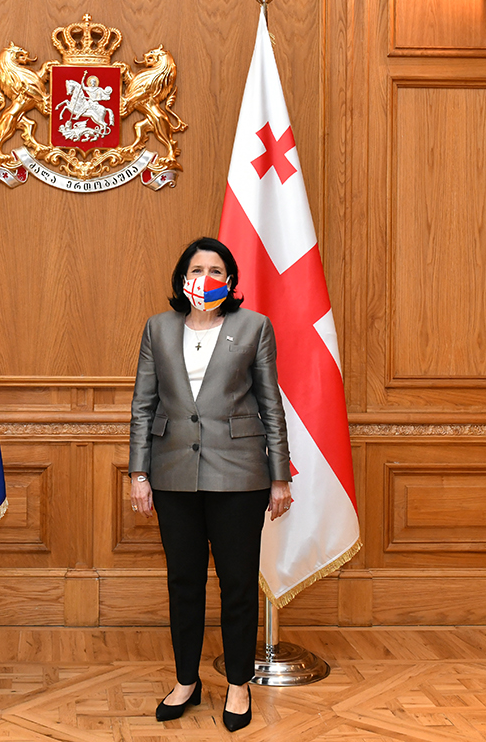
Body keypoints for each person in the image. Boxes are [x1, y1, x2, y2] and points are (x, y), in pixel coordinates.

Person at [129, 236, 292, 733]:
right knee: (184, 583)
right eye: (197, 269)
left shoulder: (254, 327)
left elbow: (271, 406)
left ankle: (239, 684)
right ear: (183, 278)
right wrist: (139, 473)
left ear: (231, 280)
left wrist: (279, 477)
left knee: (237, 584)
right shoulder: (158, 328)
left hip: (240, 476)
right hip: (172, 473)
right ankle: (186, 681)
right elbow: (143, 406)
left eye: (216, 270)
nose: (206, 278)